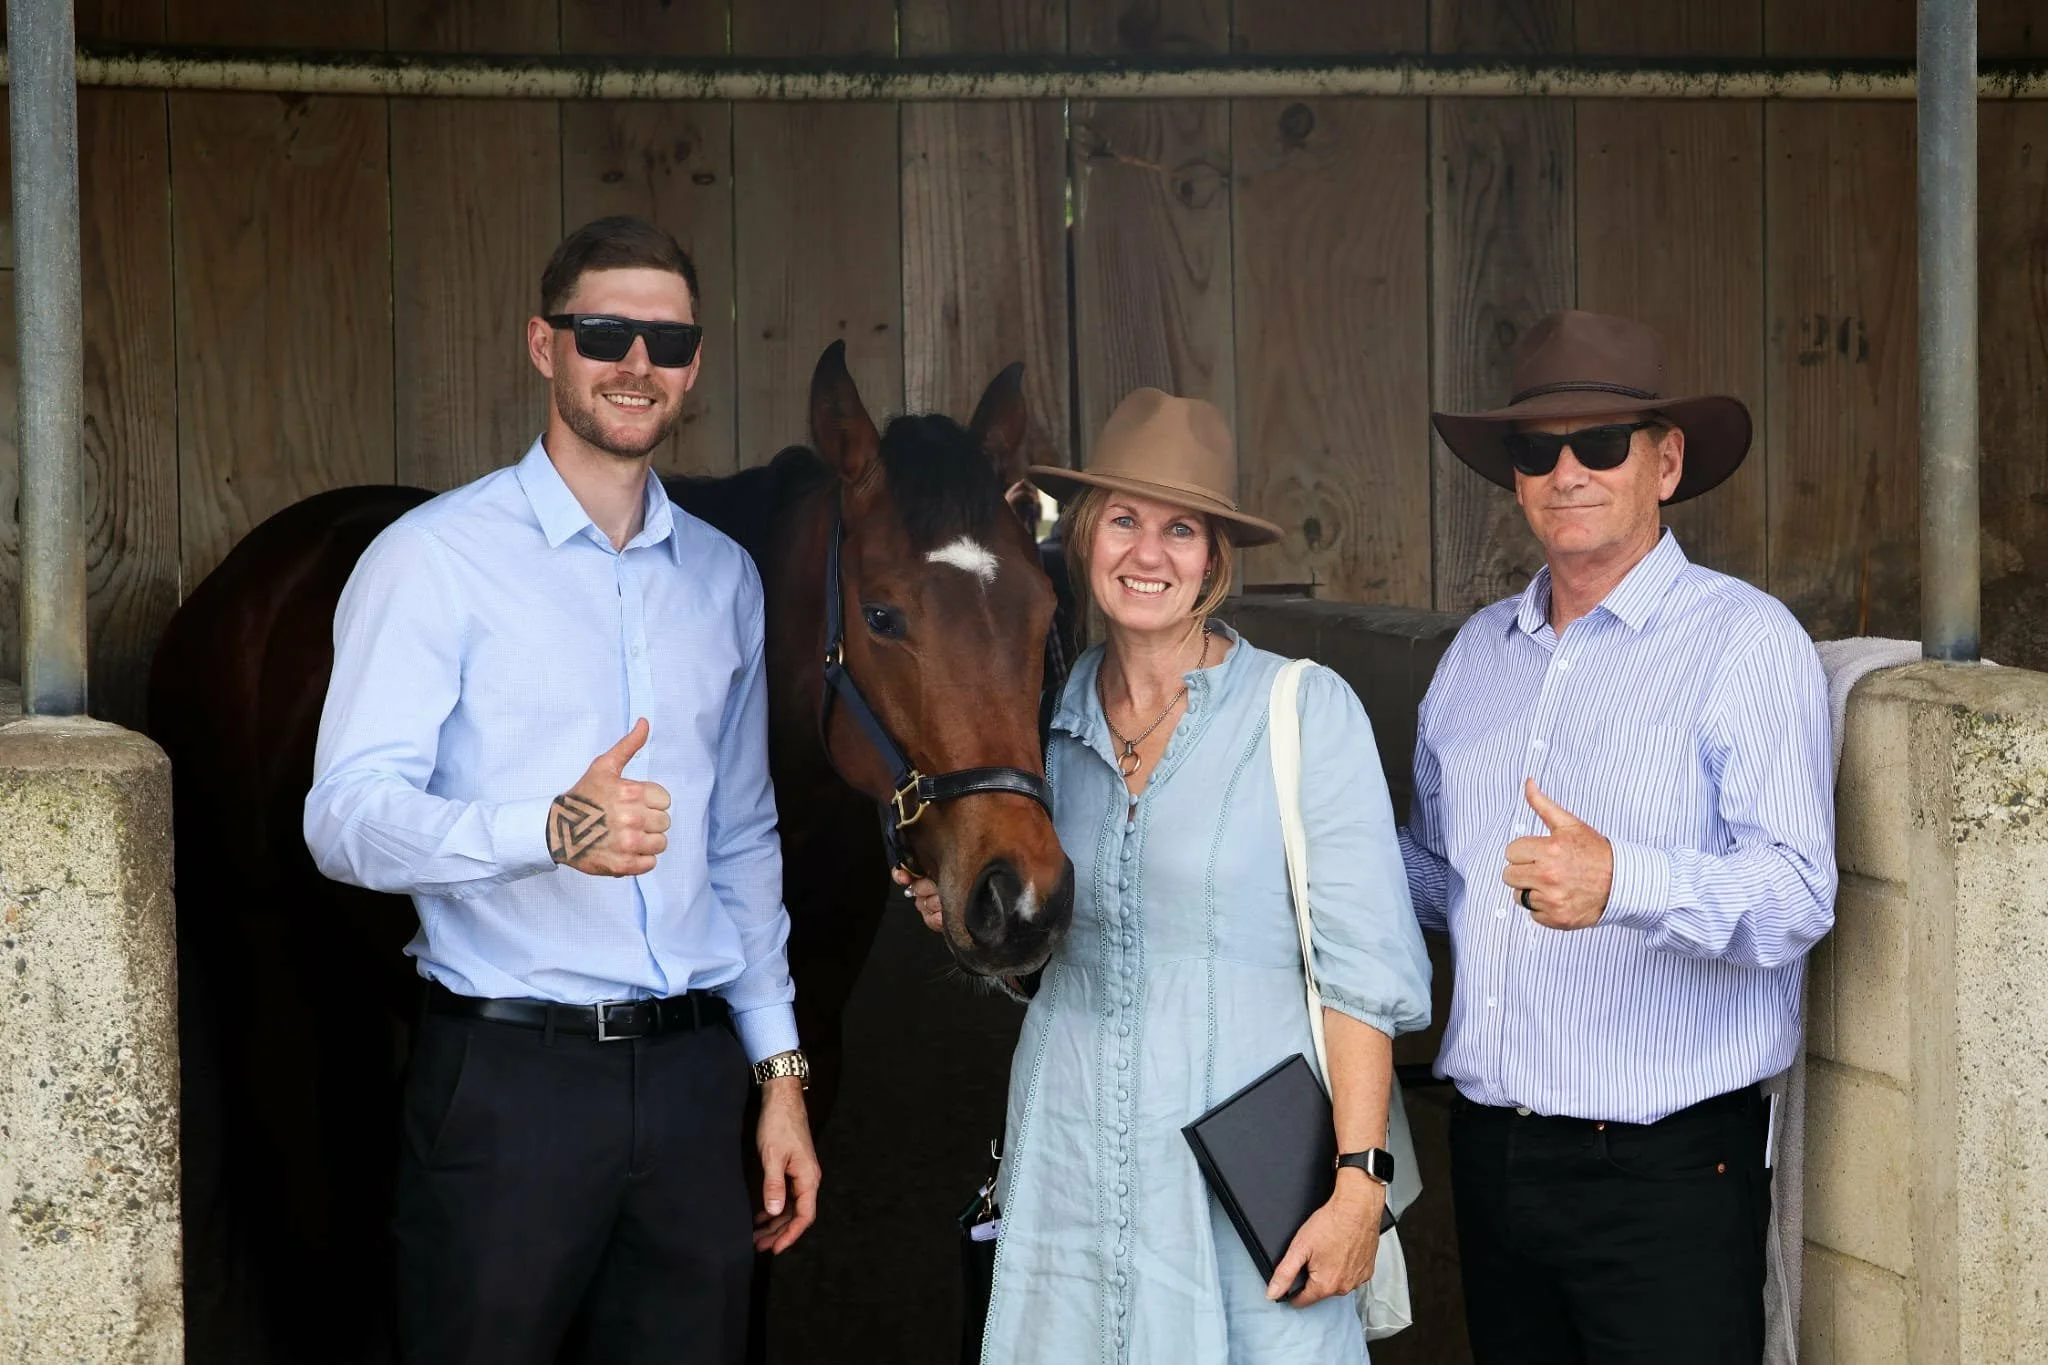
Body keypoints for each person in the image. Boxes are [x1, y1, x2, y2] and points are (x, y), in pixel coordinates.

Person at [303, 215, 819, 1365]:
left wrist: (777, 1075)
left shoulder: (723, 581)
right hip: (506, 1083)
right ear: (545, 346)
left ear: (694, 364)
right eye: (605, 332)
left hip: (693, 1085)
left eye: (668, 342)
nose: (638, 365)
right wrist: (546, 831)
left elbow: (740, 839)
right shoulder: (432, 559)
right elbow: (340, 819)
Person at [901, 390, 1432, 1363]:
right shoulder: (1040, 727)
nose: (1147, 554)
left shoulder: (1301, 713)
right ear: (1085, 535)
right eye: (1124, 520)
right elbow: (1048, 954)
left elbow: (1362, 980)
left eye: (1179, 529)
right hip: (1069, 1163)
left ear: (1214, 554)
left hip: (1249, 1190)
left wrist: (1358, 1185)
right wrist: (962, 918)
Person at [1406, 309, 1836, 1364]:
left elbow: (1796, 896)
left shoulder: (1742, 641)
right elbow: (1431, 877)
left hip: (1661, 1178)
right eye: (1535, 448)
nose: (1566, 472)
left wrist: (1621, 880)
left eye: (1598, 442)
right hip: (1490, 1153)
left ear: (1664, 461)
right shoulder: (1474, 656)